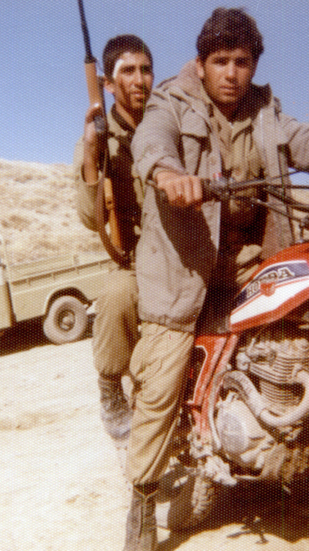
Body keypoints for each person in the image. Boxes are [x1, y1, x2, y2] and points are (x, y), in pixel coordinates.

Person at [125, 8, 309, 549]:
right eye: (221, 61)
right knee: (161, 382)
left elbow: (308, 139)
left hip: (250, 260)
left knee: (306, 344)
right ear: (201, 63)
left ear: (254, 65)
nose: (232, 73)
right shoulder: (170, 101)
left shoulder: (266, 112)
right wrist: (167, 172)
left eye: (243, 62)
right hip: (184, 268)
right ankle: (142, 498)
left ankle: (304, 469)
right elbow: (151, 140)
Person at [73, 35, 154, 452]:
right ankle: (110, 387)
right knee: (116, 294)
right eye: (127, 71)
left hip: (182, 253)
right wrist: (92, 151)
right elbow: (92, 219)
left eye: (145, 69)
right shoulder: (99, 140)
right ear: (107, 83)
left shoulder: (168, 123)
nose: (139, 80)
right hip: (137, 262)